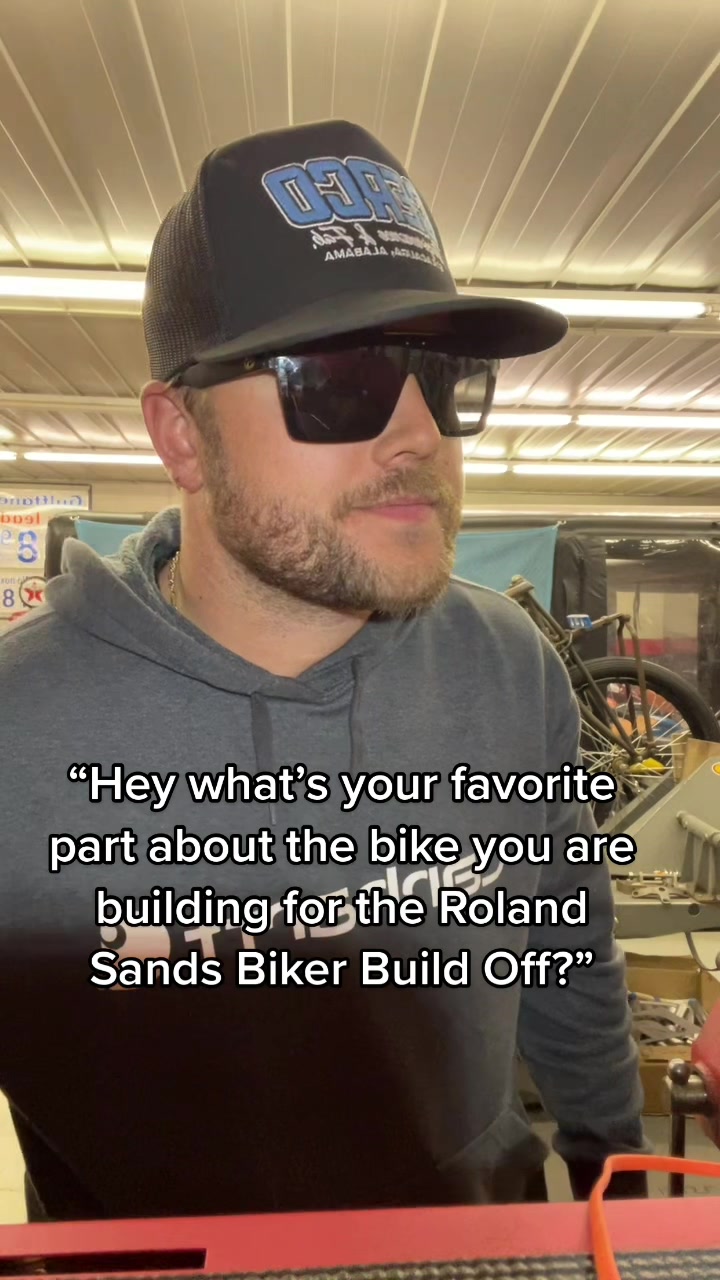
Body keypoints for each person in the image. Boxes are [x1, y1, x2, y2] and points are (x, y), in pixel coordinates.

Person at [0, 119, 648, 1224]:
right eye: (341, 378)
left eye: (444, 376)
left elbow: (565, 952)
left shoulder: (508, 667)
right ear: (182, 434)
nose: (420, 436)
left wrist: (614, 1190)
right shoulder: (21, 729)